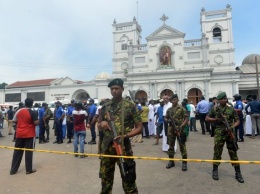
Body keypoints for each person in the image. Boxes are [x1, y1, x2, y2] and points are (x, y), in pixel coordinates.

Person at [98, 78, 142, 194]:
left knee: (129, 180)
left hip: (123, 148)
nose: (114, 91)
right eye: (112, 89)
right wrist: (101, 124)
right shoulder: (105, 107)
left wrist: (125, 136)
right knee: (105, 182)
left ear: (122, 89)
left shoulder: (130, 106)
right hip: (107, 148)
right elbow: (98, 124)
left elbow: (139, 128)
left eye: (116, 88)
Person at [205, 92, 244, 183]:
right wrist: (216, 119)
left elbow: (238, 120)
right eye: (221, 99)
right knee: (217, 151)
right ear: (218, 100)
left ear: (226, 99)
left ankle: (238, 173)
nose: (223, 100)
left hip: (230, 132)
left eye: (224, 98)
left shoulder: (231, 109)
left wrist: (232, 127)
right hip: (219, 133)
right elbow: (207, 118)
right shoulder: (215, 109)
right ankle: (215, 170)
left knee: (233, 152)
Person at [10, 98, 39, 175]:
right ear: (32, 103)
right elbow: (36, 123)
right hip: (29, 134)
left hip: (19, 134)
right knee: (29, 152)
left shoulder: (19, 111)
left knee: (17, 151)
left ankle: (13, 170)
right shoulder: (33, 112)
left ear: (25, 103)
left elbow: (14, 120)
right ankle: (28, 169)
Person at [165, 94, 188, 171]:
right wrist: (167, 120)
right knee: (171, 146)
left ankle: (184, 163)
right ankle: (171, 161)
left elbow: (186, 119)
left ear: (178, 100)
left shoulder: (182, 109)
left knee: (182, 145)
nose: (173, 101)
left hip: (180, 129)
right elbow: (165, 117)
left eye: (175, 100)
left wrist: (181, 126)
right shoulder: (169, 110)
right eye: (172, 100)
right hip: (171, 129)